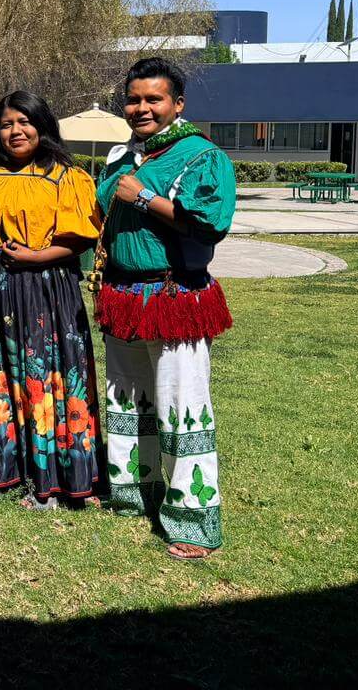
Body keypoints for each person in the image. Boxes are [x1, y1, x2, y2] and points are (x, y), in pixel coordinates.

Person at [95, 58, 235, 559]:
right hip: (124, 296)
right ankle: (136, 491)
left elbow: (210, 223)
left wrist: (145, 197)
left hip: (175, 296)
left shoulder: (202, 156)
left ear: (177, 104)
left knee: (182, 404)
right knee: (129, 400)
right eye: (133, 99)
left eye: (153, 99)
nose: (141, 108)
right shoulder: (119, 158)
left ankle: (191, 519)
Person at [0, 90, 103, 508]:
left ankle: (55, 473)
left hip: (50, 286)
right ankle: (0, 466)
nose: (16, 131)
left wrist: (36, 256)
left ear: (42, 125)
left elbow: (81, 239)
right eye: (7, 124)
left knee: (47, 370)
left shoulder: (69, 177)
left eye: (25, 122)